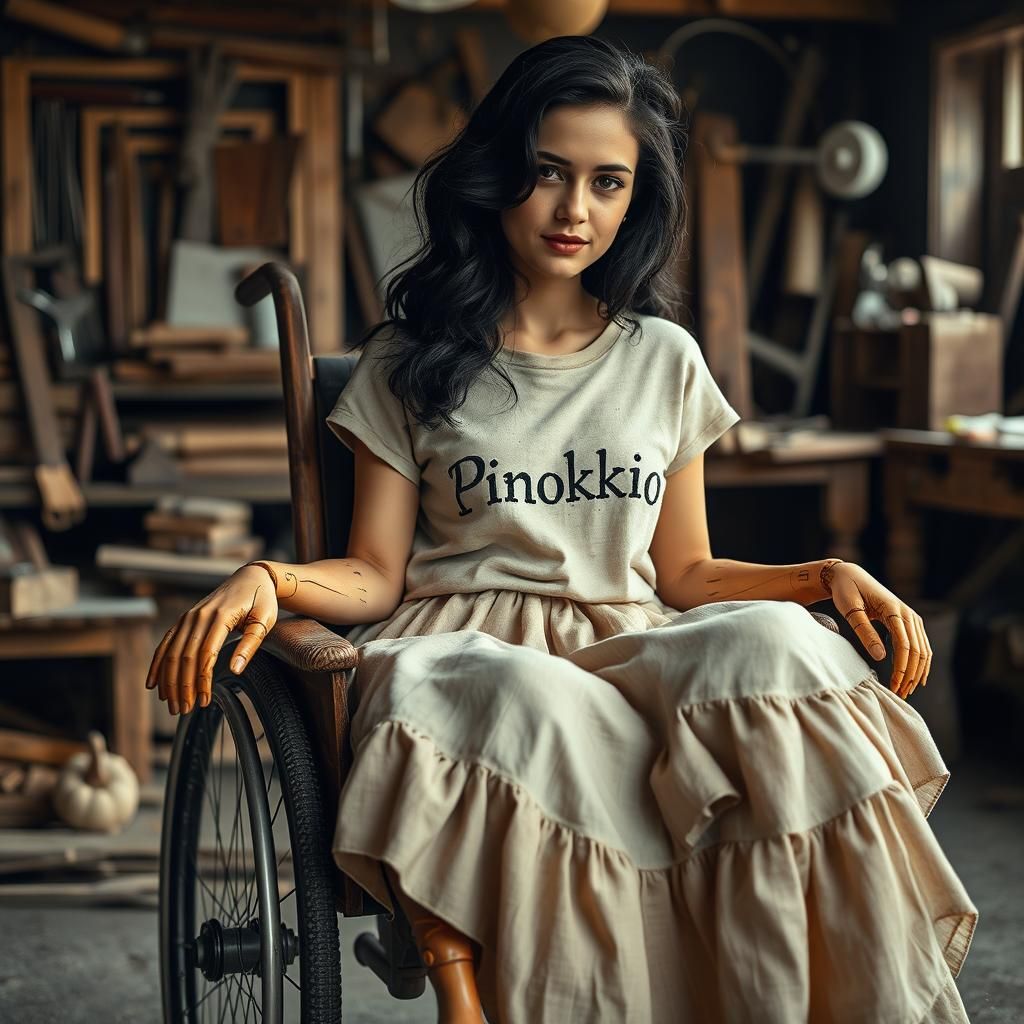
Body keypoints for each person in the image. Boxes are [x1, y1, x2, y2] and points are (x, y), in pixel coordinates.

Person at [147, 35, 977, 1024]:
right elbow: (373, 576)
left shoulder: (660, 357)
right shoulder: (409, 361)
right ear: (500, 170)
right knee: (520, 697)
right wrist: (270, 577)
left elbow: (687, 571)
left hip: (634, 639)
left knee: (778, 649)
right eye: (546, 173)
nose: (574, 210)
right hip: (470, 647)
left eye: (607, 182)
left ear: (636, 198)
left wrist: (821, 575)